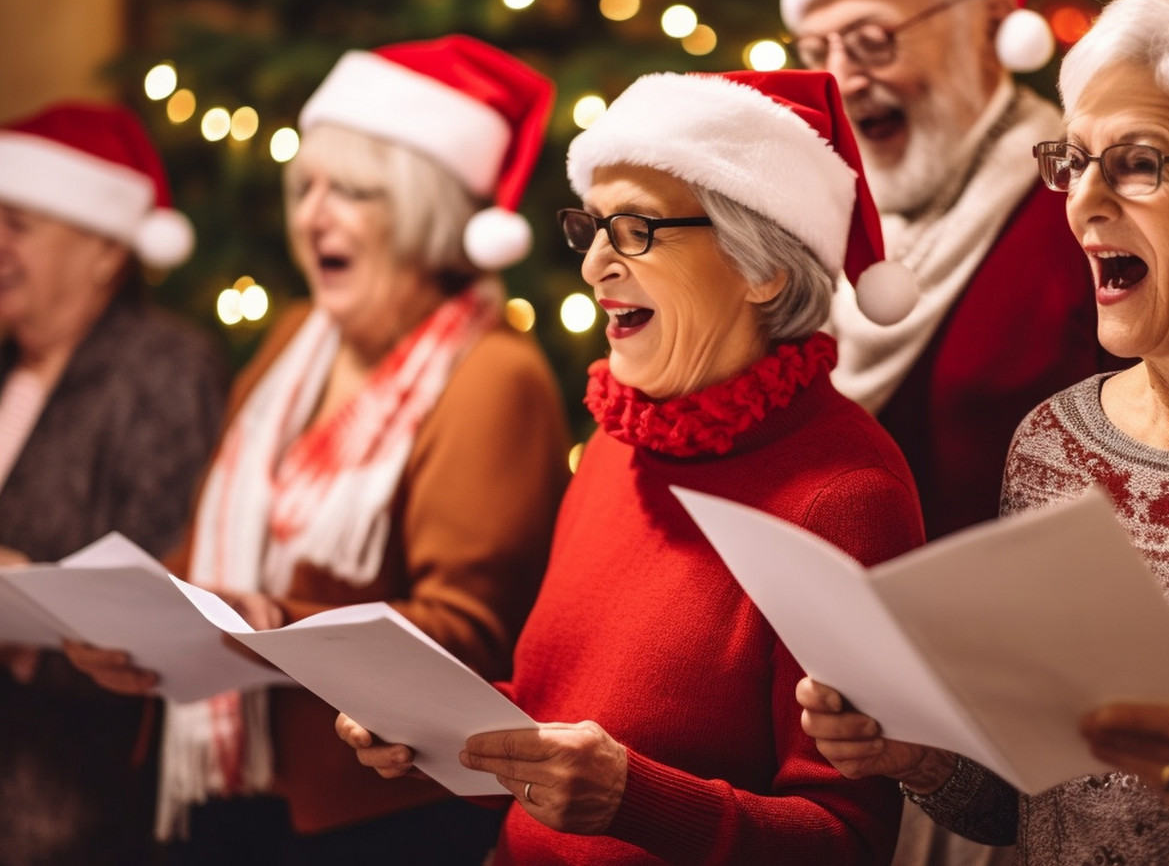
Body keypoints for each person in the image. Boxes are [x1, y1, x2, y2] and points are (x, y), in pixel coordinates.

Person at [796, 0, 1169, 866]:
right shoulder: (1056, 443)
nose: (1081, 203)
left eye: (1136, 163)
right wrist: (922, 753)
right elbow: (1036, 798)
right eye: (1074, 160)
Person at [335, 68, 928, 864]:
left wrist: (632, 799)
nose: (594, 269)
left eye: (638, 230)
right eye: (593, 228)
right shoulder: (621, 437)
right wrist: (435, 727)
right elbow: (565, 722)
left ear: (764, 268)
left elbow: (848, 840)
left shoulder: (847, 496)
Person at [67, 36, 570, 865]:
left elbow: (471, 637)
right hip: (224, 788)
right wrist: (132, 623)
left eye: (354, 192)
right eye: (307, 187)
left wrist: (270, 624)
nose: (312, 215)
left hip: (376, 814)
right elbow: (211, 549)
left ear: (428, 211)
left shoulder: (494, 375)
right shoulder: (298, 335)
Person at [780, 0, 1121, 544]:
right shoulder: (812, 224)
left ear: (988, 24)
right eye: (818, 52)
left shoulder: (1083, 211)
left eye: (873, 40)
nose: (841, 80)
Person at [0, 101, 226, 865]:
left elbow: (167, 603)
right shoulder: (8, 364)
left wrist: (25, 603)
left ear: (103, 249)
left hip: (72, 809)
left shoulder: (161, 370)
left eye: (19, 224)